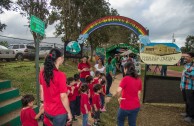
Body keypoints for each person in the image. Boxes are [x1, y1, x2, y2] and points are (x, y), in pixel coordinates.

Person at [39, 48, 72, 126]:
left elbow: (42, 91)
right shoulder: (61, 75)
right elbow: (63, 96)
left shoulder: (42, 73)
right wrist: (69, 112)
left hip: (47, 110)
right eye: (63, 57)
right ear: (60, 58)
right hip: (59, 112)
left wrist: (42, 103)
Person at [117, 62, 142, 126]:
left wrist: (119, 98)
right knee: (132, 123)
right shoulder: (139, 79)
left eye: (124, 69)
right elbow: (139, 94)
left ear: (126, 69)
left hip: (125, 105)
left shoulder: (125, 78)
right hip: (136, 106)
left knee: (120, 120)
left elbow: (118, 90)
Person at [180, 52, 194, 123]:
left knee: (190, 102)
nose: (185, 57)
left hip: (190, 87)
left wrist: (186, 74)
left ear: (192, 58)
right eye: (185, 56)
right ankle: (187, 113)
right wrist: (181, 85)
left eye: (187, 56)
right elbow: (182, 76)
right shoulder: (185, 65)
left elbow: (193, 77)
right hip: (184, 86)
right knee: (186, 101)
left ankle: (191, 117)